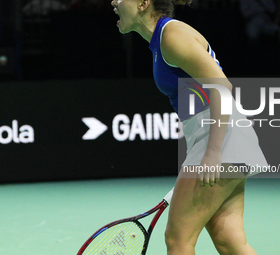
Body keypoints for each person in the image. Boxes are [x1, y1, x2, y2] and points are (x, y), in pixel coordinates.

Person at [110, 0, 268, 254]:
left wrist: (212, 153)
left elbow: (222, 87)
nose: (114, 2)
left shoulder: (171, 35)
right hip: (224, 135)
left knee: (178, 239)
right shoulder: (160, 41)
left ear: (143, 3)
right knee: (230, 242)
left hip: (218, 137)